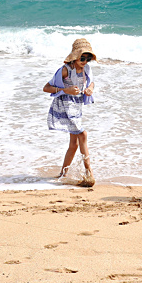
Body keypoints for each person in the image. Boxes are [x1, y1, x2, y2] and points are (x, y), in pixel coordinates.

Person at [43, 37, 97, 186]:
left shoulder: (86, 69)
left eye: (88, 58)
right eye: (82, 57)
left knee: (74, 143)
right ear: (75, 56)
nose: (85, 61)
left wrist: (90, 89)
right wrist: (65, 90)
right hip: (65, 104)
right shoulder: (66, 70)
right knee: (83, 134)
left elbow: (91, 82)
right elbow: (46, 87)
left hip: (77, 104)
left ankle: (63, 173)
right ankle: (89, 172)